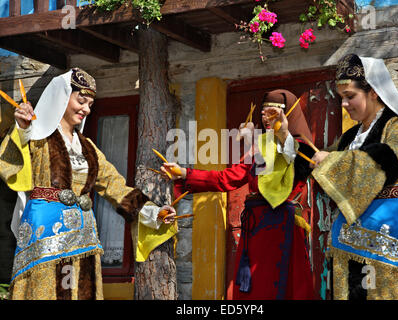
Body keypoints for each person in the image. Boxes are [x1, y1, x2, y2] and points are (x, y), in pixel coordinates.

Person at [0, 68, 176, 300]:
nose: (86, 109)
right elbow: (10, 164)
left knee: (81, 292)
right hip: (45, 231)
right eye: (81, 101)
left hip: (83, 234)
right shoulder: (37, 135)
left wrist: (154, 212)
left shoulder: (88, 147)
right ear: (62, 97)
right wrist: (22, 129)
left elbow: (116, 187)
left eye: (90, 104)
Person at [161, 89, 316, 300]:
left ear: (287, 115)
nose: (266, 118)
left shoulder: (303, 148)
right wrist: (185, 173)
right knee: (255, 292)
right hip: (255, 230)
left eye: (274, 113)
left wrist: (282, 134)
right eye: (263, 113)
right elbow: (227, 178)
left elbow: (292, 159)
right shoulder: (259, 148)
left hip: (281, 228)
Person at [310, 54, 398, 299]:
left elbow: (388, 163)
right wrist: (286, 141)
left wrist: (333, 161)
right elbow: (325, 171)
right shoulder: (349, 138)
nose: (345, 105)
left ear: (374, 92)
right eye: (341, 99)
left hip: (390, 238)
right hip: (351, 242)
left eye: (350, 97)